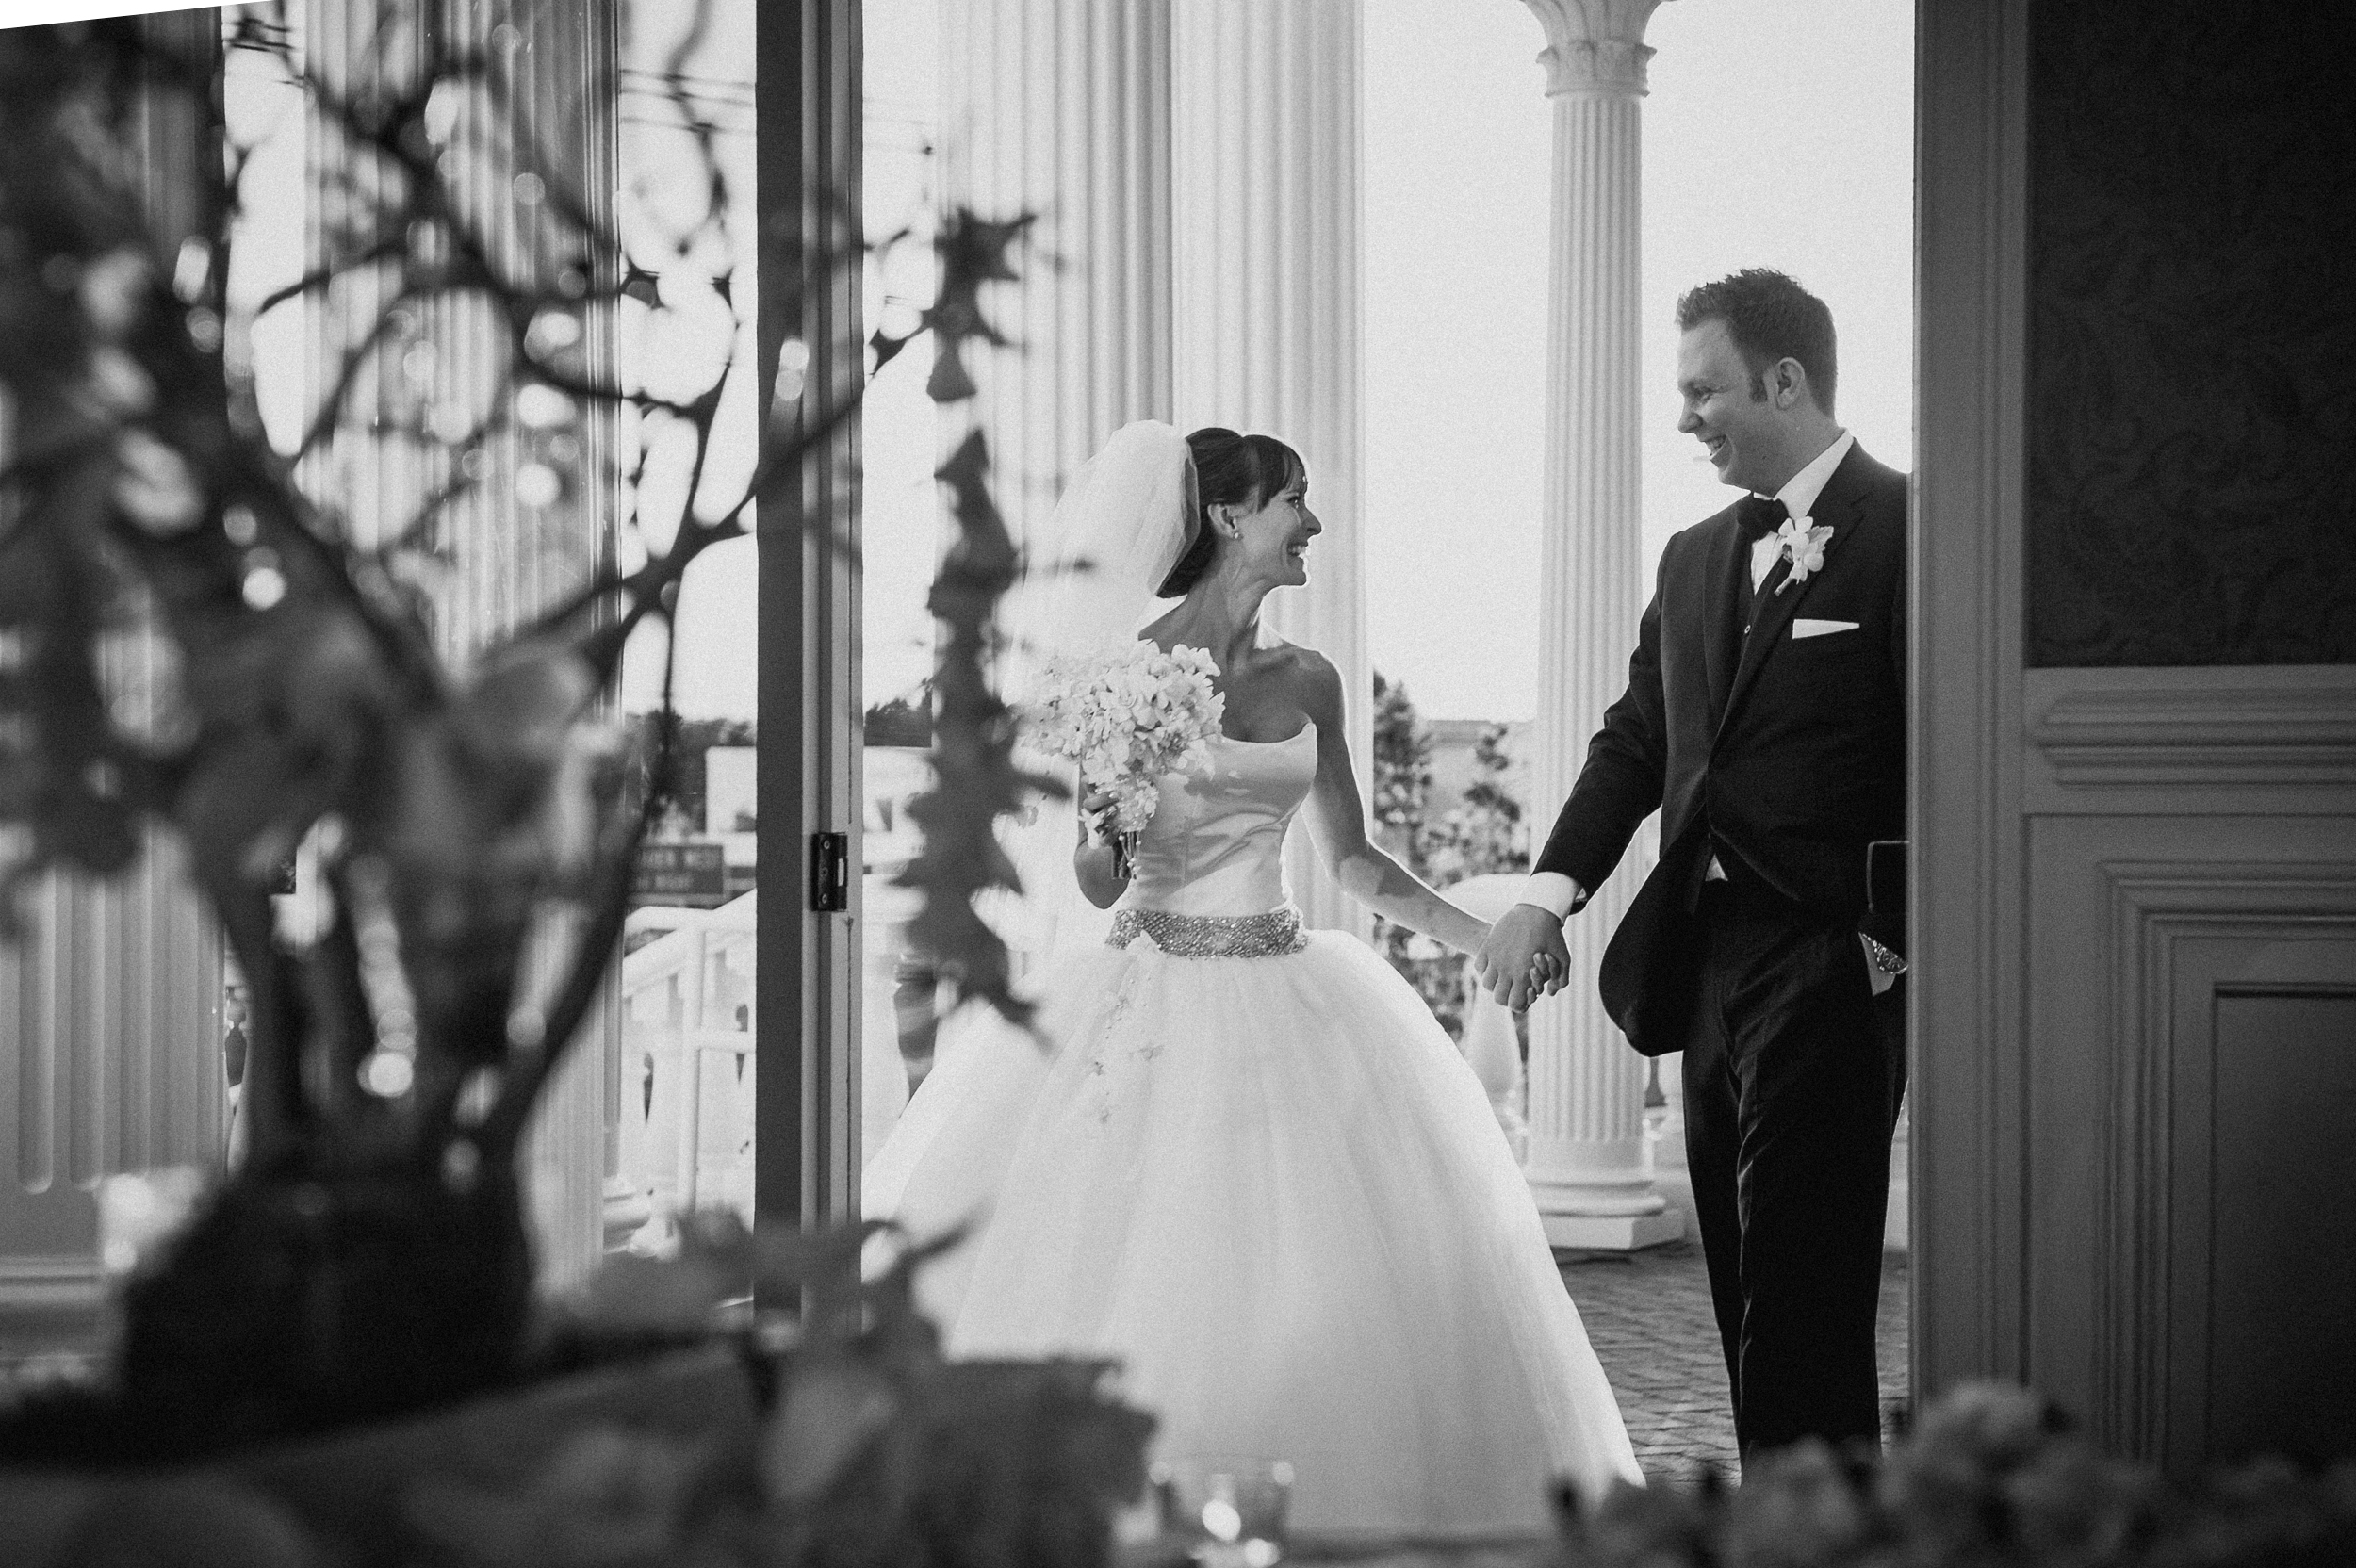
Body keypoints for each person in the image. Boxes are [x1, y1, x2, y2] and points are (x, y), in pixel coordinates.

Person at [865, 421, 1641, 1533]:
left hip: (1285, 978)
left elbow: (1354, 861)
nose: (1312, 521)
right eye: (1295, 500)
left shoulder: (1313, 679)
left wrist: (1482, 937)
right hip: (1144, 994)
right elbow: (1094, 883)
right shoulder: (1118, 674)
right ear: (1232, 516)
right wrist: (1106, 823)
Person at [1475, 270, 1908, 1466]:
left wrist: (1894, 937)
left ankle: (1822, 1536)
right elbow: (1635, 745)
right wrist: (1544, 892)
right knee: (1737, 1272)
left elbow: (1955, 746)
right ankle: (1805, 1516)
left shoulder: (1921, 527)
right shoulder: (1692, 555)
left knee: (1806, 1285)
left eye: (1701, 388)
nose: (1684, 419)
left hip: (1837, 958)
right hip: (1707, 960)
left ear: (1784, 380)